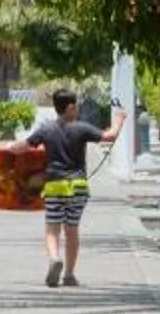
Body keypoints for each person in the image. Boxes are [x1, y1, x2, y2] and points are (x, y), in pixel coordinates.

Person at [26, 88, 124, 288]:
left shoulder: (46, 129)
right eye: (76, 105)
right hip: (78, 187)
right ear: (70, 107)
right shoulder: (81, 128)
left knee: (52, 229)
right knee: (72, 230)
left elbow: (24, 146)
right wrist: (119, 119)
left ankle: (54, 258)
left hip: (54, 187)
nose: (78, 109)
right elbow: (110, 136)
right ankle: (69, 274)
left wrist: (7, 149)